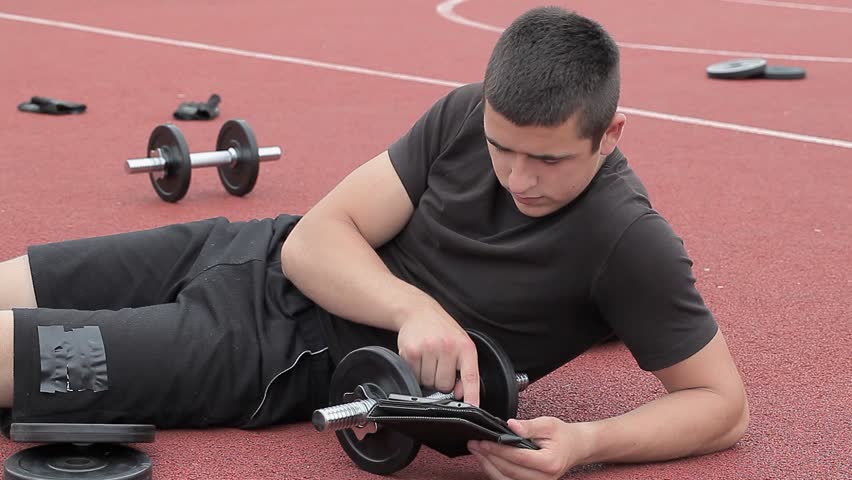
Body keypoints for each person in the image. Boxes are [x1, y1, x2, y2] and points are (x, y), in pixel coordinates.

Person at [0, 6, 748, 478]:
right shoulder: (462, 115)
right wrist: (415, 310)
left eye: (548, 159)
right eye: (502, 146)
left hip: (266, 351)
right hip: (243, 248)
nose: (518, 177)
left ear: (610, 135)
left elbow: (721, 404)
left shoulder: (628, 243)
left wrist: (587, 443)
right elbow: (315, 238)